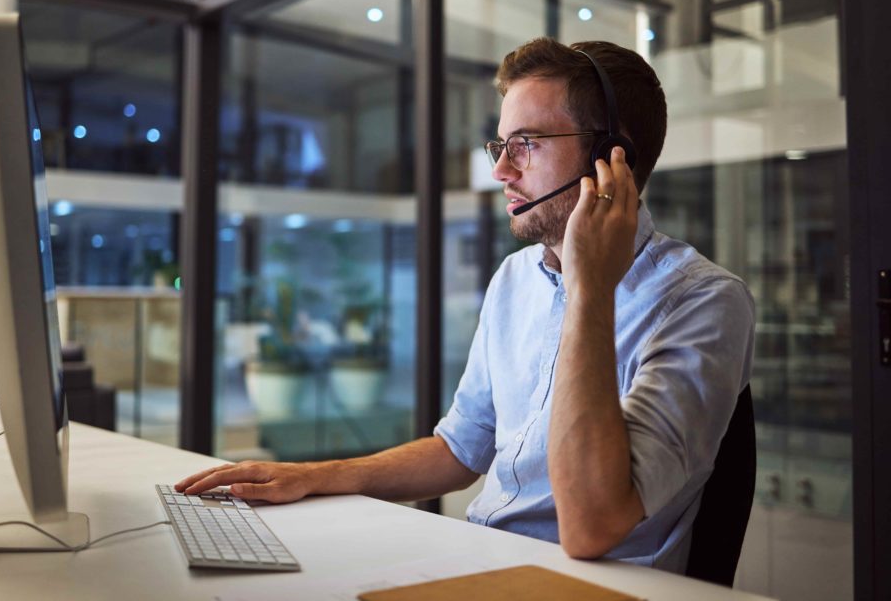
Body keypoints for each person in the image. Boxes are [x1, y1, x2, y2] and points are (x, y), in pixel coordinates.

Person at [176, 38, 755, 574]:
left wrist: (591, 287)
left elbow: (592, 526)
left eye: (526, 144)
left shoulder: (704, 302)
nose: (501, 170)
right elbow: (463, 447)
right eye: (500, 145)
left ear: (612, 157)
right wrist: (315, 477)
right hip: (486, 559)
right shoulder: (514, 279)